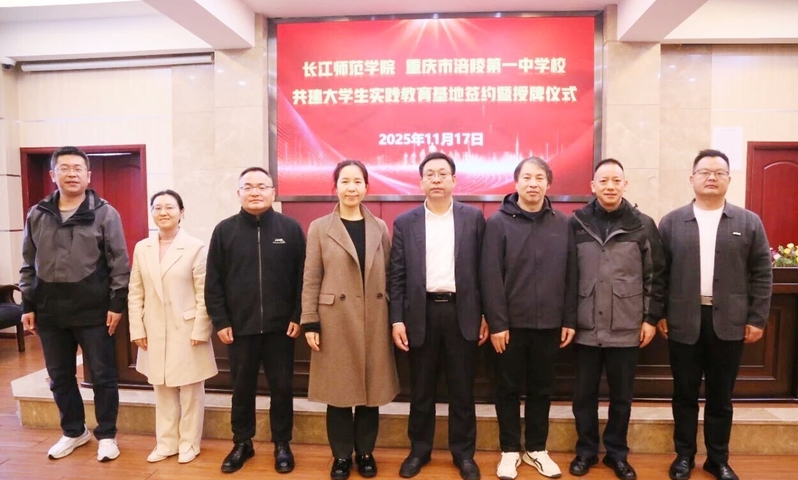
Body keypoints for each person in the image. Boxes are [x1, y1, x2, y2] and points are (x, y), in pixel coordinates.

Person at [658, 149, 771, 480]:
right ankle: (684, 456)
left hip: (729, 322)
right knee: (684, 394)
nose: (711, 177)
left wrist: (757, 318)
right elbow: (659, 273)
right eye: (704, 172)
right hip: (684, 320)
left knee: (721, 397)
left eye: (719, 172)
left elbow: (762, 273)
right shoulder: (672, 222)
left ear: (729, 180)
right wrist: (659, 313)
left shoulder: (748, 222)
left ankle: (717, 459)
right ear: (692, 178)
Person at [19, 146, 129, 462]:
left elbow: (119, 262)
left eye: (78, 168)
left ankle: (106, 435)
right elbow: (28, 261)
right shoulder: (37, 213)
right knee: (59, 377)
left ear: (88, 175)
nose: (71, 174)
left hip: (94, 310)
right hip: (49, 310)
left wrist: (116, 303)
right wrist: (27, 304)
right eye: (64, 168)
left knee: (103, 376)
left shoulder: (105, 213)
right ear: (52, 175)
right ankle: (73, 431)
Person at [388, 152, 488, 480]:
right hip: (421, 314)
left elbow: (485, 271)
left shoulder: (474, 219)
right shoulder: (406, 222)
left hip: (463, 313)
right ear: (420, 182)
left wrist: (486, 315)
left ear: (454, 180)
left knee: (462, 390)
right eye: (429, 174)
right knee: (421, 390)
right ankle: (419, 450)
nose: (436, 179)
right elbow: (397, 275)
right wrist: (397, 319)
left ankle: (464, 454)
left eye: (442, 173)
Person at [301, 160, 400, 480]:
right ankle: (342, 456)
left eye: (357, 182)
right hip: (336, 321)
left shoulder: (379, 227)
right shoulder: (319, 227)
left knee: (372, 393)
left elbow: (390, 275)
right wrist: (310, 320)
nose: (351, 188)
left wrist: (394, 318)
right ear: (335, 187)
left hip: (374, 318)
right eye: (345, 181)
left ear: (367, 188)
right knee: (339, 393)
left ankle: (366, 452)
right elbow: (311, 277)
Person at [568, 158, 666, 480]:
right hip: (585, 325)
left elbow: (656, 275)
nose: (610, 186)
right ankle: (585, 451)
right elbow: (566, 275)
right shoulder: (576, 223)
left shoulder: (642, 225)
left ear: (625, 184)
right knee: (584, 396)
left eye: (616, 180)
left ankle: (616, 454)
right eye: (603, 181)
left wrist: (650, 318)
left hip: (626, 326)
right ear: (592, 186)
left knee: (621, 397)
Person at [480, 157, 577, 480]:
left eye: (539, 178)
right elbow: (490, 276)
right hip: (509, 326)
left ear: (548, 184)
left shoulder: (563, 223)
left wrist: (569, 319)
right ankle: (510, 450)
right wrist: (497, 323)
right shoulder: (498, 223)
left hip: (550, 324)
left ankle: (536, 448)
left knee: (542, 389)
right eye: (527, 177)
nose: (533, 183)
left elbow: (572, 275)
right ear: (516, 182)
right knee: (507, 388)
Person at [205, 167, 306, 474]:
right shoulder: (224, 231)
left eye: (262, 186)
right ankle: (242, 442)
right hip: (239, 328)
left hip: (281, 328)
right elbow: (213, 281)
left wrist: (298, 314)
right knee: (242, 388)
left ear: (273, 192)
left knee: (282, 388)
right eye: (248, 187)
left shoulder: (290, 229)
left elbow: (304, 277)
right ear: (239, 193)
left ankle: (282, 443)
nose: (255, 192)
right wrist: (221, 320)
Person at [128, 189, 218, 464]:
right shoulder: (142, 247)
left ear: (181, 212)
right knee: (162, 387)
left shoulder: (195, 247)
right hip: (153, 329)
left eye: (169, 207)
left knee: (190, 391)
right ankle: (166, 442)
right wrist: (137, 329)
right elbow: (135, 291)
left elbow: (204, 293)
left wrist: (201, 329)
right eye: (157, 207)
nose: (163, 212)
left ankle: (189, 443)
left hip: (187, 329)